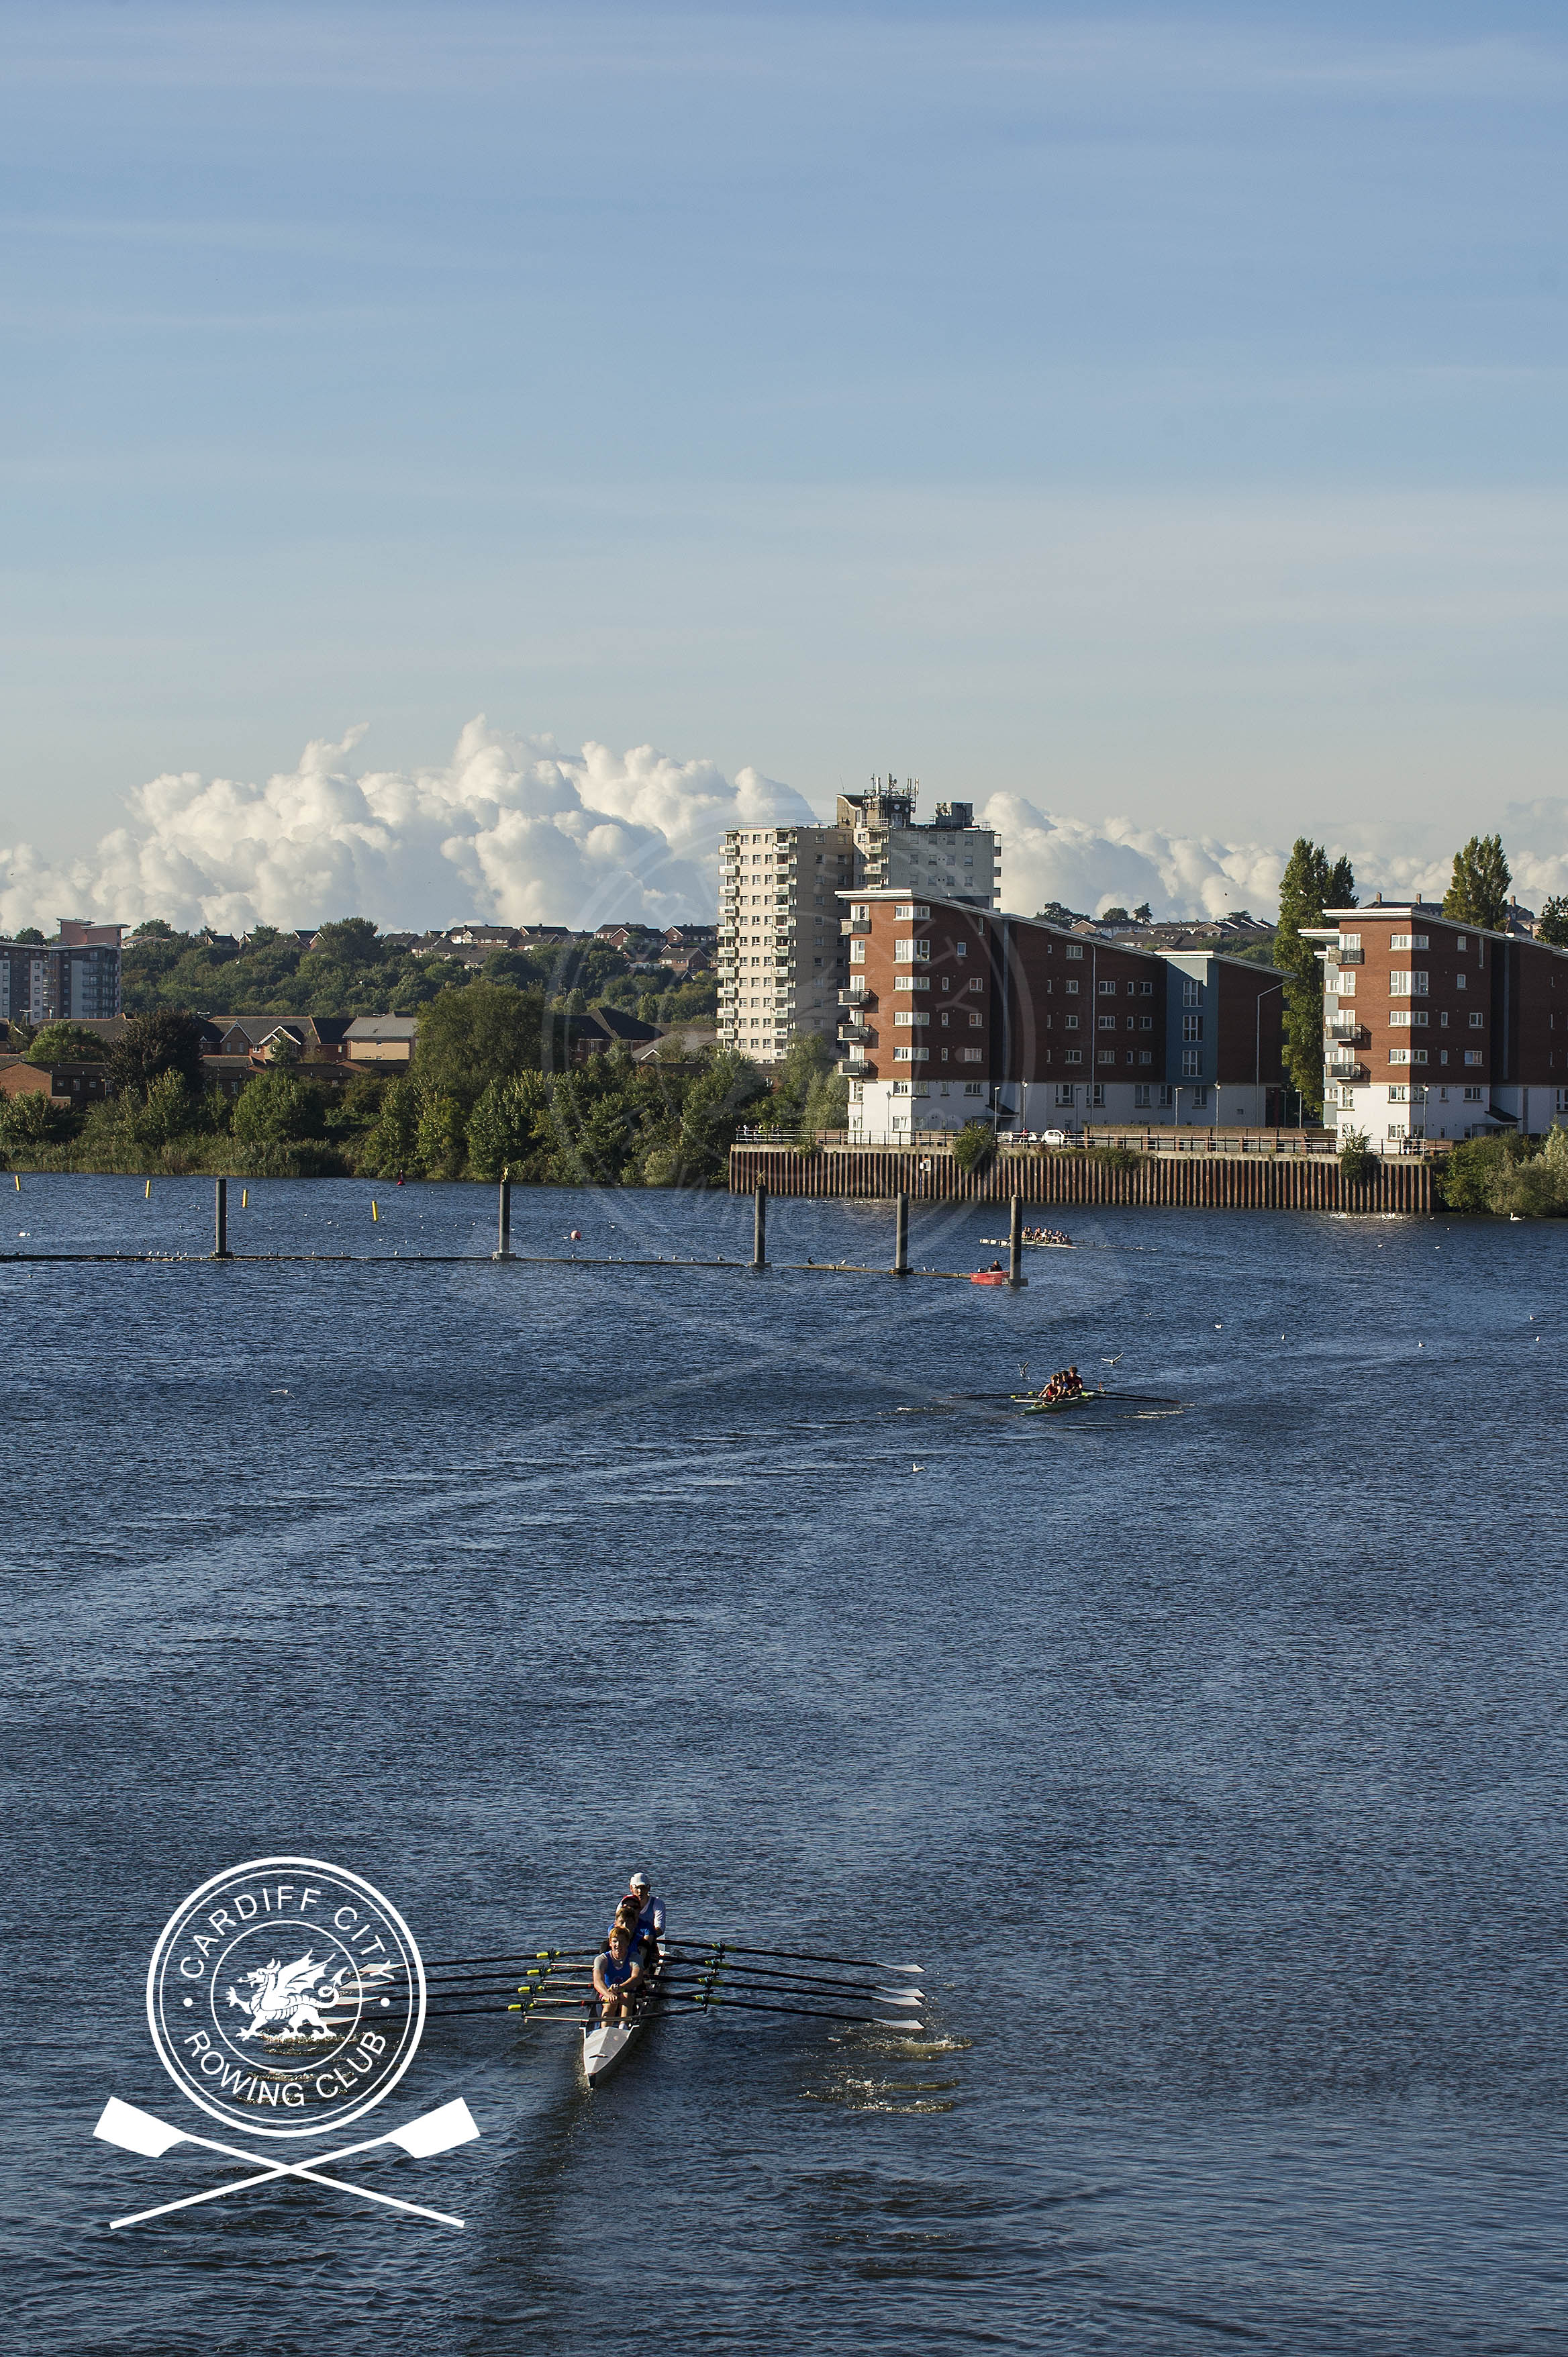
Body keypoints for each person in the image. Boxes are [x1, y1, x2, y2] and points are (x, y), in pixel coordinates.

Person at [593, 1923, 644, 2025]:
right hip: (607, 1995)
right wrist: (609, 1994)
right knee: (611, 2001)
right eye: (615, 1941)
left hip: (628, 1996)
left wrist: (621, 1987)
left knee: (626, 1996)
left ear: (628, 1943)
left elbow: (637, 1978)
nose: (618, 1945)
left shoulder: (635, 1958)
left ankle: (623, 2027)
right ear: (610, 1944)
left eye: (622, 1942)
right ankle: (605, 2029)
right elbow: (598, 1982)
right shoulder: (602, 1959)